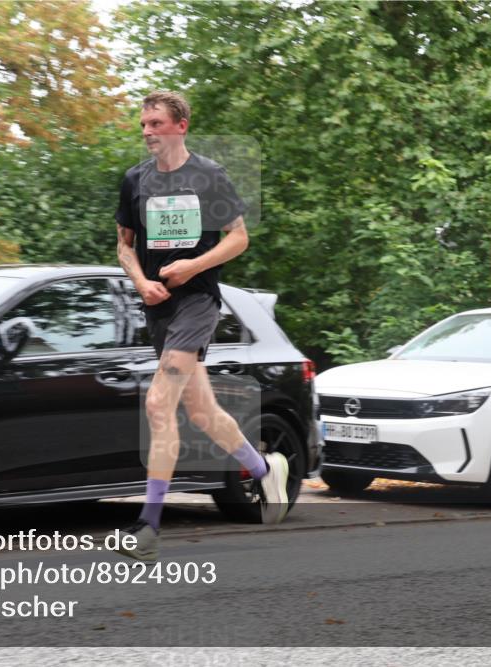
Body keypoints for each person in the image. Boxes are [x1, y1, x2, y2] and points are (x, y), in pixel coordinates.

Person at [113, 90, 289, 562]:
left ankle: (147, 527)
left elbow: (238, 238)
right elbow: (124, 246)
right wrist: (140, 281)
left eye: (155, 123)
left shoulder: (208, 176)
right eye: (144, 123)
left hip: (198, 303)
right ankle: (263, 468)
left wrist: (193, 265)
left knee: (157, 402)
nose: (146, 131)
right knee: (203, 413)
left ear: (180, 125)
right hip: (159, 308)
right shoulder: (135, 181)